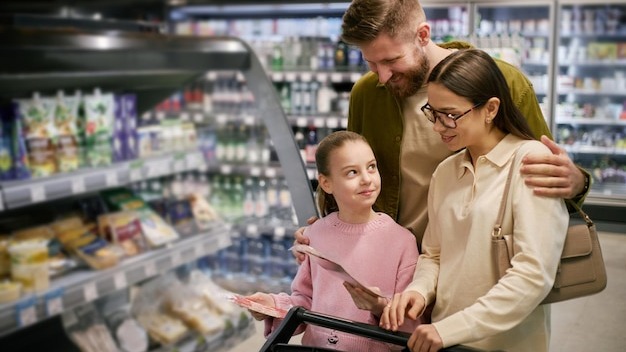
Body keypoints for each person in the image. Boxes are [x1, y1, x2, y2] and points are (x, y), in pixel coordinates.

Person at [294, 0, 589, 258]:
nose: (382, 77)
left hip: (479, 266)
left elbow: (546, 176)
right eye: (371, 63)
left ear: (423, 35)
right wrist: (326, 230)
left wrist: (576, 183)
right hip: (390, 264)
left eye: (392, 61)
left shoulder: (505, 82)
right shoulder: (367, 93)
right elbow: (348, 170)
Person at [380, 48, 569, 352]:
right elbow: (434, 254)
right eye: (433, 113)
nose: (438, 127)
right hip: (445, 339)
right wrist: (420, 289)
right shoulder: (445, 172)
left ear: (491, 108)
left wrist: (451, 329)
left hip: (505, 343)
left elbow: (533, 275)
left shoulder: (531, 162)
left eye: (451, 115)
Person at [245, 131, 420, 351]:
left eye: (371, 167)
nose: (367, 178)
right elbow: (305, 300)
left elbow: (410, 327)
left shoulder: (402, 241)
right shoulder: (316, 234)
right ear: (326, 183)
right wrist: (273, 305)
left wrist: (378, 307)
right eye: (352, 172)